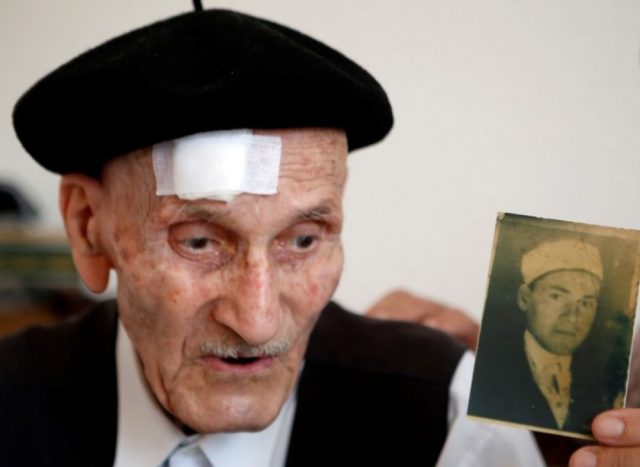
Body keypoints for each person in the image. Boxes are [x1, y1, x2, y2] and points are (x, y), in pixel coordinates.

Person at [3, 6, 639, 467]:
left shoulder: (445, 419)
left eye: (303, 240)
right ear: (89, 228)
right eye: (198, 242)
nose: (257, 321)